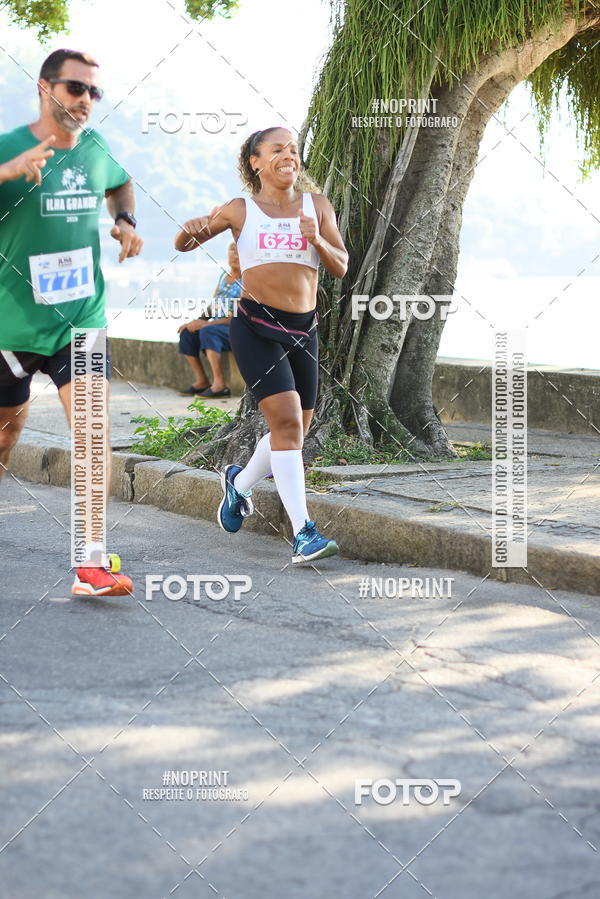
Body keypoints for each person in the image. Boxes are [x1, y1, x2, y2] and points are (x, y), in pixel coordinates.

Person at [0, 48, 143, 596]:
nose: (86, 100)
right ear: (45, 87)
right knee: (5, 438)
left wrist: (125, 220)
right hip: (11, 327)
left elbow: (121, 182)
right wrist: (6, 173)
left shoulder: (95, 148)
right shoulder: (9, 146)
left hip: (80, 320)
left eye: (94, 92)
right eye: (76, 88)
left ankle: (91, 562)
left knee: (92, 432)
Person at [174, 126, 348, 563]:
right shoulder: (240, 209)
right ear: (255, 162)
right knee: (287, 425)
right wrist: (189, 229)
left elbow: (341, 265)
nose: (288, 155)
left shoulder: (317, 206)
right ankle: (304, 533)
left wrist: (316, 238)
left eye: (293, 149)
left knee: (294, 432)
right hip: (255, 326)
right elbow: (185, 243)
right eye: (277, 149)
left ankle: (238, 483)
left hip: (302, 330)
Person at [177, 241, 241, 398]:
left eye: (240, 251)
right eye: (232, 250)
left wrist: (205, 324)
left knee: (208, 331)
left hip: (236, 328)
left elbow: (235, 317)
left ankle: (219, 385)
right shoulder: (224, 277)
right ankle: (202, 381)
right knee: (187, 333)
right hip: (217, 326)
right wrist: (196, 322)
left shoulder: (248, 280)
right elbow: (213, 306)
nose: (235, 255)